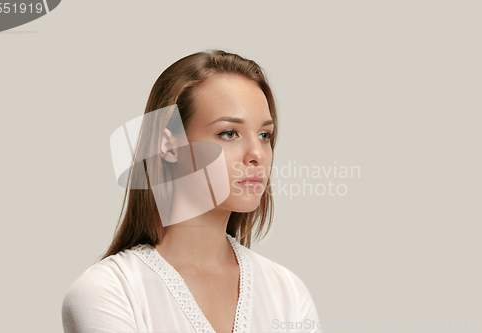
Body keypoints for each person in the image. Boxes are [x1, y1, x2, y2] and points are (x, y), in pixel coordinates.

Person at [61, 50, 322, 333]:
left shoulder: (289, 294)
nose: (257, 154)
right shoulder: (108, 292)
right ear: (169, 146)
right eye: (229, 133)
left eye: (265, 135)